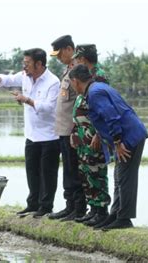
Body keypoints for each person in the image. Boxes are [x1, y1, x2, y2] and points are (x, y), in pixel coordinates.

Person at [68, 64, 148, 230]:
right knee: (119, 176)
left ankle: (124, 218)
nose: (71, 86)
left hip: (128, 138)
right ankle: (116, 214)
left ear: (76, 81)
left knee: (126, 178)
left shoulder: (95, 93)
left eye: (71, 82)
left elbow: (112, 117)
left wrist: (118, 143)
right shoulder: (96, 88)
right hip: (126, 137)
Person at [0, 48, 60, 218]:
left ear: (39, 64)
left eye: (27, 63)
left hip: (50, 136)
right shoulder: (25, 76)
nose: (24, 66)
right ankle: (32, 204)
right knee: (32, 171)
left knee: (47, 173)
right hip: (31, 135)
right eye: (24, 63)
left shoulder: (53, 82)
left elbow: (49, 108)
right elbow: (9, 79)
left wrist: (26, 100)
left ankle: (46, 206)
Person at [69, 44, 111, 227]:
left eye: (77, 59)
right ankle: (93, 208)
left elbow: (101, 109)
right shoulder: (84, 75)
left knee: (97, 172)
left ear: (83, 59)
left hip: (93, 135)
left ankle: (101, 210)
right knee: (86, 172)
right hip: (82, 134)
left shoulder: (98, 78)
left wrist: (98, 134)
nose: (76, 62)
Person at [47, 35, 86, 221]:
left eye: (60, 53)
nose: (58, 57)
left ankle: (78, 208)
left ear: (69, 49)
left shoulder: (78, 70)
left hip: (72, 130)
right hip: (63, 130)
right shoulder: (68, 69)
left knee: (74, 170)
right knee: (68, 170)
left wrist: (75, 130)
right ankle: (69, 205)